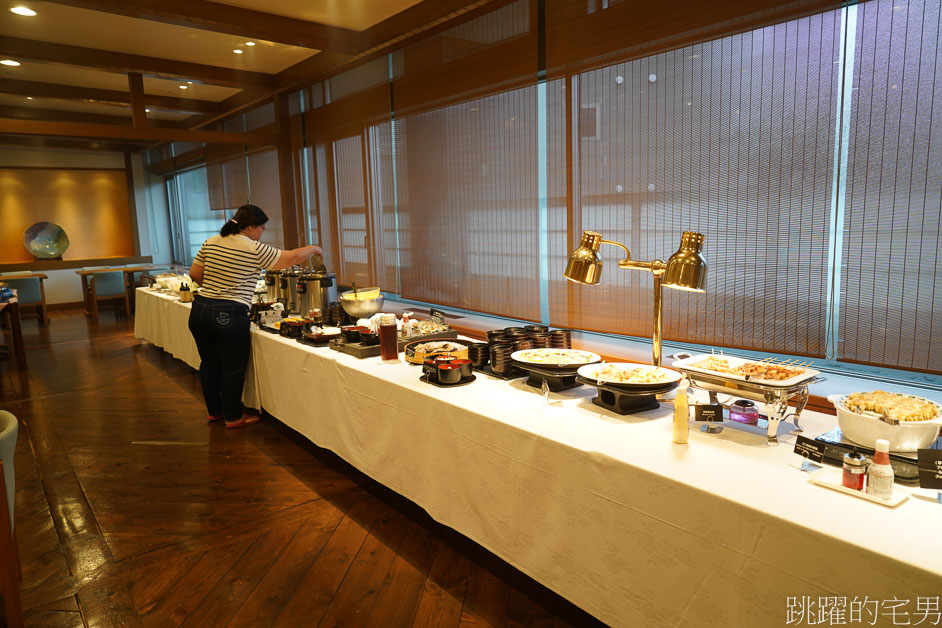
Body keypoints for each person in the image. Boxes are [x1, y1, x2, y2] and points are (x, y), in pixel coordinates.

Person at [188, 204, 322, 428]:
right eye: (261, 228)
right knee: (232, 367)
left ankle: (215, 411)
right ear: (250, 227)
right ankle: (233, 417)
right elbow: (291, 258)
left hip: (200, 309)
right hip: (228, 314)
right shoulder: (253, 248)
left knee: (209, 364)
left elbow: (195, 273)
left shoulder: (211, 242)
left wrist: (215, 293)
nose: (262, 232)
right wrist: (313, 248)